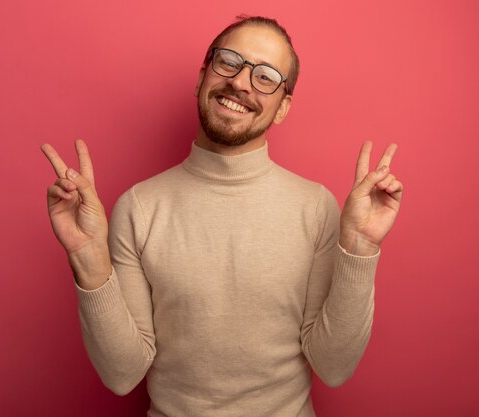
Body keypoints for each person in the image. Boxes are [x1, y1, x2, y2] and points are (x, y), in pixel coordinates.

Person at [41, 15, 403, 417]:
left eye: (265, 76)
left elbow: (333, 368)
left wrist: (361, 249)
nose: (241, 82)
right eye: (229, 61)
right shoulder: (138, 208)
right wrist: (88, 257)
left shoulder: (316, 207)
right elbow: (121, 374)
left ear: (282, 107)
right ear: (202, 78)